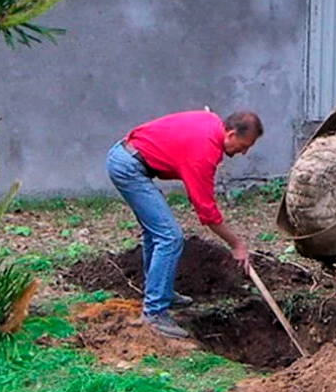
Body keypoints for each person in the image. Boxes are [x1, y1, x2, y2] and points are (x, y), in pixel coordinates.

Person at [106, 109, 263, 338]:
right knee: (169, 237)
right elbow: (207, 214)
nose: (244, 152)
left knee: (156, 233)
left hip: (127, 155)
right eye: (244, 145)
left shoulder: (211, 121)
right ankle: (155, 314)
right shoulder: (203, 154)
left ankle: (161, 293)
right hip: (129, 168)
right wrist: (237, 244)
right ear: (229, 134)